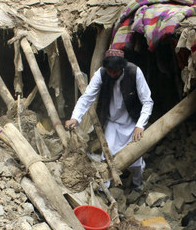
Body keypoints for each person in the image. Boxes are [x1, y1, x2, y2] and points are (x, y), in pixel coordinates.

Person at [65, 49, 153, 191]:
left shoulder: (134, 72)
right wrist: (75, 118)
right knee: (107, 158)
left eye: (116, 71)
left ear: (122, 67)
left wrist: (140, 125)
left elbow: (147, 101)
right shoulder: (101, 74)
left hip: (132, 122)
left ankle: (137, 184)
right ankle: (103, 190)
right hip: (112, 122)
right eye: (110, 71)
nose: (112, 74)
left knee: (135, 160)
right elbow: (87, 98)